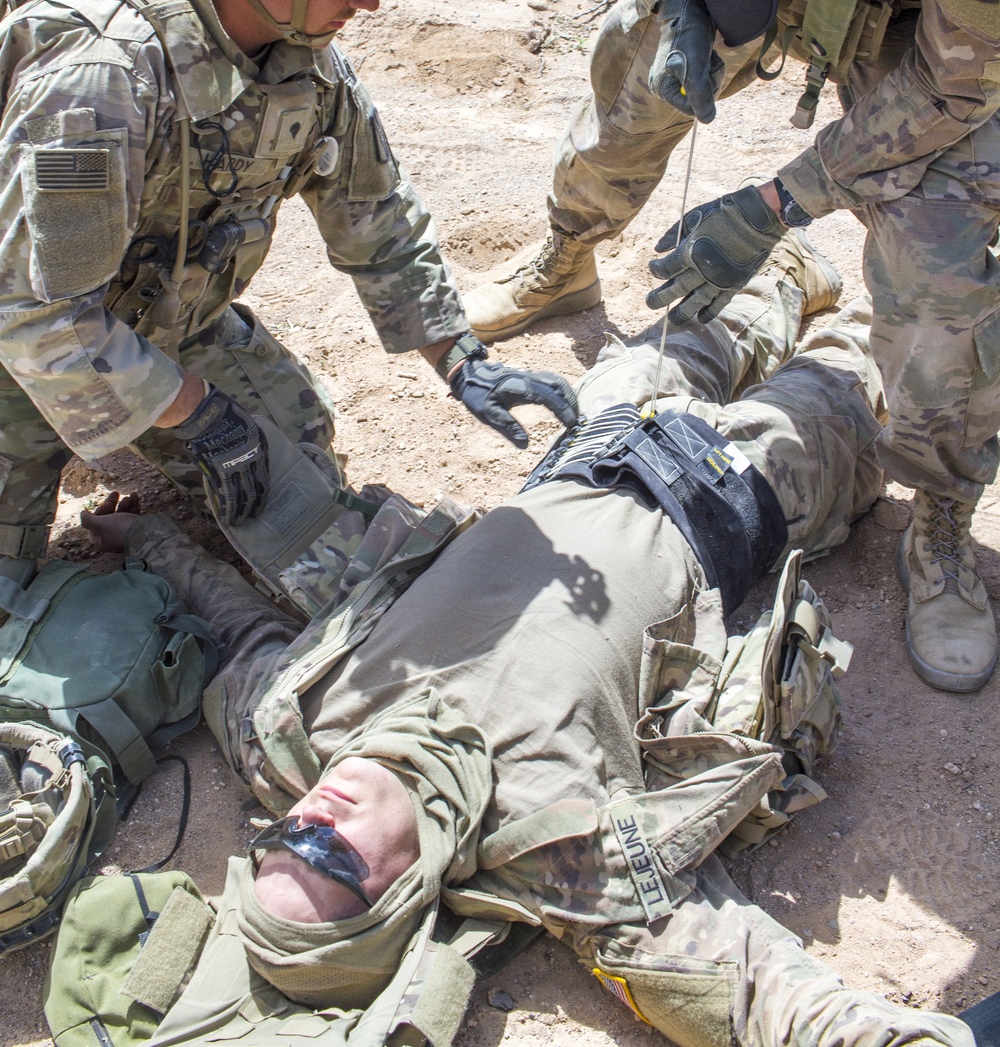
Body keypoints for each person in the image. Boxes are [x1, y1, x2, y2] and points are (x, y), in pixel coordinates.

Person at [83, 232, 970, 1047]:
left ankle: (782, 280)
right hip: (740, 489)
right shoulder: (554, 848)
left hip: (593, 446)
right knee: (859, 364)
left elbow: (240, 630)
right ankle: (860, 317)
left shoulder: (288, 735)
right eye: (328, 859)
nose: (309, 820)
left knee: (689, 339)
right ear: (402, 893)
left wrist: (152, 541)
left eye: (279, 845)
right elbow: (749, 988)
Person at [464, 0, 1000, 692]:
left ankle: (940, 512)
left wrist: (775, 204)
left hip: (913, 22)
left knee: (947, 242)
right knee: (635, 83)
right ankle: (566, 259)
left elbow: (959, 78)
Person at [0, 0, 577, 609]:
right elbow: (37, 314)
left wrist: (460, 357)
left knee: (296, 463)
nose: (370, 4)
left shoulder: (296, 48)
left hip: (161, 316)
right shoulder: (99, 82)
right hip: (18, 340)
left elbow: (374, 212)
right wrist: (195, 414)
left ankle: (133, 424)